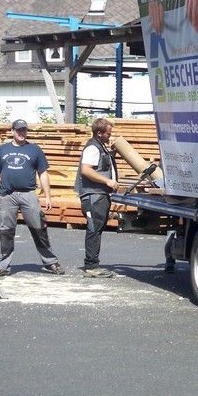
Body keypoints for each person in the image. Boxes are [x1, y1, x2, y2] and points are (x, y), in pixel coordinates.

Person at [0, 119, 65, 276]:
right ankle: (3, 265)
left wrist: (48, 196)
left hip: (28, 194)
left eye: (24, 130)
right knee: (6, 231)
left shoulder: (34, 150)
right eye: (18, 130)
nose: (22, 133)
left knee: (39, 228)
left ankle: (50, 262)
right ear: (12, 131)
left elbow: (43, 173)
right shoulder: (1, 150)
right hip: (7, 195)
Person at [74, 117, 120, 278]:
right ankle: (91, 266)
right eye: (108, 133)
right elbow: (86, 170)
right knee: (94, 229)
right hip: (93, 195)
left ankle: (92, 263)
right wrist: (107, 180)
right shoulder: (93, 148)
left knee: (97, 228)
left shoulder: (99, 147)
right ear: (99, 133)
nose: (110, 136)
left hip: (99, 194)